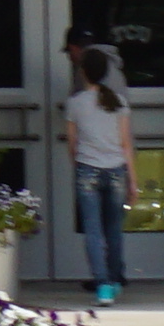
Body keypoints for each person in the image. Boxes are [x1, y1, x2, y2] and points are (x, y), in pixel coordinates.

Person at [58, 39, 136, 308]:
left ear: (83, 72)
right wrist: (132, 182)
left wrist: (77, 164)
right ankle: (115, 281)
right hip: (116, 171)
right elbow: (126, 144)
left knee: (93, 230)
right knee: (114, 229)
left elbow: (72, 141)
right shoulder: (119, 103)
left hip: (87, 170)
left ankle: (101, 284)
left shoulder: (75, 104)